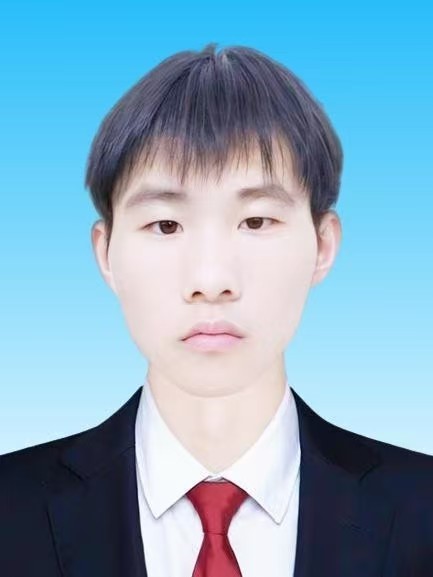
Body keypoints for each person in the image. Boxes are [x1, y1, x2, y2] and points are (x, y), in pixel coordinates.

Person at [1, 43, 432, 577]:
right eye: (165, 225)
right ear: (105, 253)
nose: (211, 281)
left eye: (256, 222)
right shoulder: (10, 513)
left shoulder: (422, 512)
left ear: (323, 246)